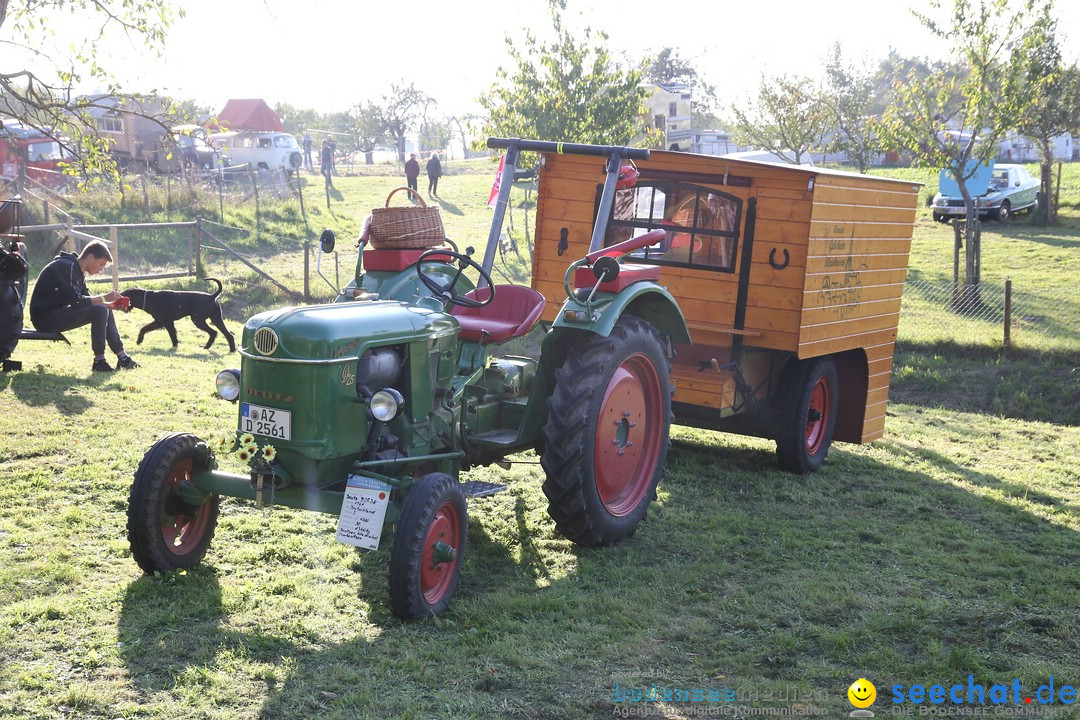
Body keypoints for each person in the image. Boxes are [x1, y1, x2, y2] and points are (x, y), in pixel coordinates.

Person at [29, 240, 139, 372]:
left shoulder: (76, 270)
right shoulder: (66, 267)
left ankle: (123, 358)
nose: (101, 269)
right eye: (101, 264)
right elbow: (78, 302)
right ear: (90, 257)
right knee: (100, 311)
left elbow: (89, 301)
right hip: (45, 319)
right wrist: (105, 297)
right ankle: (99, 361)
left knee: (103, 309)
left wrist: (111, 305)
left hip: (56, 314)